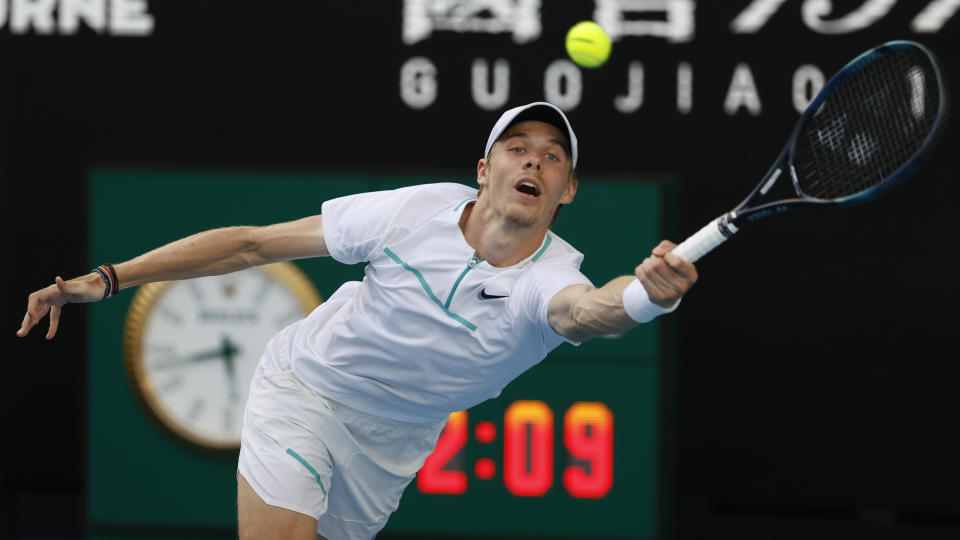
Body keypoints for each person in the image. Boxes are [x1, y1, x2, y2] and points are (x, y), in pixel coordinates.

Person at [17, 102, 697, 540]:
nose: (536, 162)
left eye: (554, 157)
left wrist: (648, 296)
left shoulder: (551, 276)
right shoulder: (408, 213)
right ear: (485, 169)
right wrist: (107, 281)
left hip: (391, 448)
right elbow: (252, 243)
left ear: (568, 190)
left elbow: (590, 310)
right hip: (304, 390)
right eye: (519, 148)